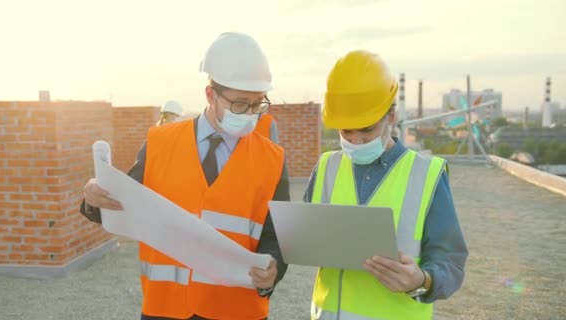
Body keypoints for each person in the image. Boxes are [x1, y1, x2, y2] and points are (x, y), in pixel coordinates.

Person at [80, 32, 290, 320]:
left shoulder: (273, 158)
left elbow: (277, 235)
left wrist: (274, 269)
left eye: (258, 104)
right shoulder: (159, 143)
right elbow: (119, 204)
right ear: (210, 95)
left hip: (237, 310)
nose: (251, 114)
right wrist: (94, 197)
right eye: (240, 104)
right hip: (165, 308)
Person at [303, 50, 468, 320]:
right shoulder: (326, 167)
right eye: (346, 130)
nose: (355, 141)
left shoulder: (427, 174)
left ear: (391, 116)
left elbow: (450, 261)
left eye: (366, 129)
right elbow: (306, 237)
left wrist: (422, 281)